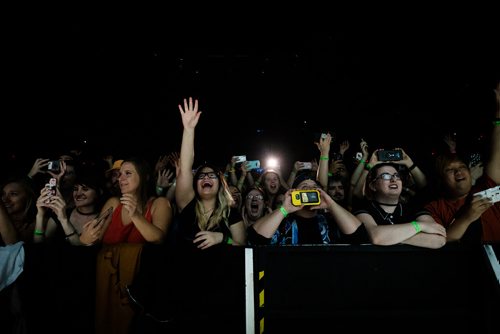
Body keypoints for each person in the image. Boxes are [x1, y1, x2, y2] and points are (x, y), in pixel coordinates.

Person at [92, 156, 174, 334]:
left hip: (141, 291)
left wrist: (135, 215)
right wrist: (62, 219)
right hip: (107, 285)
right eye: (119, 175)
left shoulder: (159, 203)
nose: (120, 179)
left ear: (144, 177)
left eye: (128, 174)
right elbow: (91, 240)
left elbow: (158, 238)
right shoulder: (113, 203)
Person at [424, 81, 500, 243]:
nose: (458, 172)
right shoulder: (435, 208)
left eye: (461, 167)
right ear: (440, 180)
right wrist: (466, 217)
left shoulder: (486, 188)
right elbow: (437, 241)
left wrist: (499, 114)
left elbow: (497, 154)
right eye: (449, 170)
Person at [175, 97, 246, 249]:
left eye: (211, 175)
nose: (206, 177)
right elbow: (186, 168)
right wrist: (188, 130)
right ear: (195, 185)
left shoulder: (231, 214)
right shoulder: (187, 204)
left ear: (220, 184)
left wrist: (222, 238)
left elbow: (243, 249)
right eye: (201, 176)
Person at [248, 173, 364, 245]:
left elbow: (358, 235)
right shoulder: (282, 223)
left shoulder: (330, 221)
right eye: (304, 187)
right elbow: (255, 238)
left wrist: (330, 204)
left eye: (314, 188)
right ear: (294, 193)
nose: (310, 190)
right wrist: (285, 209)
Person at [354, 161, 446, 249]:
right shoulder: (364, 209)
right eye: (385, 176)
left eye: (397, 175)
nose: (393, 179)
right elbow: (376, 237)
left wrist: (390, 238)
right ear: (373, 185)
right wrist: (420, 226)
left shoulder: (414, 208)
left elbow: (439, 238)